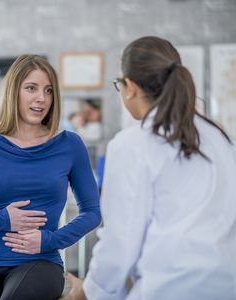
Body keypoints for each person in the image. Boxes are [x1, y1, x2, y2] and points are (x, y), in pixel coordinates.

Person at [66, 36, 236, 300]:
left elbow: (121, 239)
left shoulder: (132, 143)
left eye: (118, 83)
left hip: (168, 288)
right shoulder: (219, 138)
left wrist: (87, 292)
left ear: (130, 87)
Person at [0, 54, 102, 300]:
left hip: (41, 261)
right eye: (31, 88)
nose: (41, 98)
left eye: (48, 90)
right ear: (14, 91)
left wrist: (50, 240)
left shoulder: (70, 144)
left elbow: (92, 213)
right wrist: (2, 219)